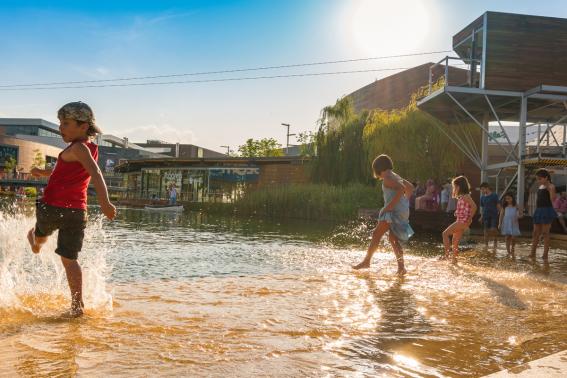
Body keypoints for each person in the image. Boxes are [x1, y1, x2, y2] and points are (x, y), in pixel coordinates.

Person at [26, 102, 116, 317]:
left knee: (40, 236)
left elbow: (96, 173)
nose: (61, 128)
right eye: (60, 124)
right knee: (70, 259)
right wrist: (42, 172)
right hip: (76, 212)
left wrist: (105, 202)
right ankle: (77, 306)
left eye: (65, 124)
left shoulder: (78, 147)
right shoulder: (88, 149)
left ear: (83, 126)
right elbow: (63, 171)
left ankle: (35, 239)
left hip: (52, 207)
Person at [353, 154, 414, 275]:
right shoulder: (395, 175)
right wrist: (404, 203)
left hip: (392, 212)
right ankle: (401, 268)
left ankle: (366, 261)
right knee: (393, 239)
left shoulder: (387, 178)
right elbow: (410, 187)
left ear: (378, 168)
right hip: (402, 211)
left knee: (376, 234)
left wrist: (389, 207)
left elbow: (401, 188)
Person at [441, 176, 477, 264]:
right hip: (461, 220)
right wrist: (457, 212)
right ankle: (454, 259)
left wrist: (469, 218)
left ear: (460, 186)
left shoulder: (466, 196)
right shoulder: (462, 197)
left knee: (445, 234)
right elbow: (465, 208)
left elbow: (474, 207)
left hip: (462, 221)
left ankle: (446, 256)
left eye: (455, 186)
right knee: (455, 241)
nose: (454, 188)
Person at [531, 169, 556, 260]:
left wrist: (550, 188)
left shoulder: (551, 186)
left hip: (547, 210)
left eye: (540, 179)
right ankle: (532, 253)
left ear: (546, 178)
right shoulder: (541, 186)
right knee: (535, 233)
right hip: (538, 210)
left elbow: (552, 199)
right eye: (537, 179)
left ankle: (545, 254)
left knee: (545, 233)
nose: (538, 181)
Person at [499, 192, 522, 257]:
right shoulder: (504, 206)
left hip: (514, 223)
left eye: (509, 198)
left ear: (512, 198)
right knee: (507, 237)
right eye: (506, 199)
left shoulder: (516, 206)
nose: (508, 200)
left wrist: (518, 217)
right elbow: (501, 215)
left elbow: (521, 214)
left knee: (513, 237)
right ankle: (508, 251)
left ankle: (513, 248)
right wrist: (499, 223)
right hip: (506, 223)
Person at [479, 182, 500, 249]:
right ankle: (486, 245)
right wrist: (481, 216)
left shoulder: (494, 195)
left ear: (487, 188)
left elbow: (498, 205)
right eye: (481, 190)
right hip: (485, 215)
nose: (482, 191)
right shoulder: (482, 197)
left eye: (483, 189)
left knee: (493, 229)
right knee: (485, 230)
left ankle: (495, 239)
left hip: (493, 215)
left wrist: (500, 213)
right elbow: (482, 207)